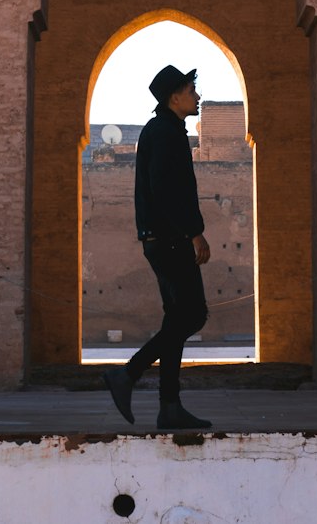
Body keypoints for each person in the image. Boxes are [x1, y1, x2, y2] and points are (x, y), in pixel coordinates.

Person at [102, 64, 212, 431]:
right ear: (174, 96)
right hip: (170, 240)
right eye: (192, 90)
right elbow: (166, 191)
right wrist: (193, 232)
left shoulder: (165, 130)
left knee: (178, 318)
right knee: (192, 315)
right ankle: (129, 374)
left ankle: (169, 406)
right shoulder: (164, 133)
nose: (197, 97)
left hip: (163, 238)